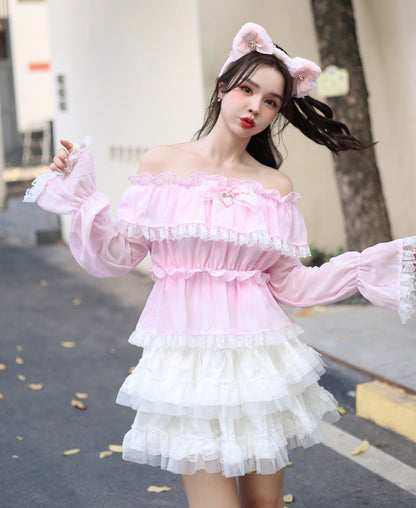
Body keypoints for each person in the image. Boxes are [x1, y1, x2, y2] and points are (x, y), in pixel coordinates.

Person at [24, 22, 415, 508]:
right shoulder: (161, 164)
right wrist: (82, 198)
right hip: (187, 365)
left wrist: (372, 267)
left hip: (257, 361)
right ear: (223, 87)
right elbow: (120, 253)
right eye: (247, 90)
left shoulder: (274, 187)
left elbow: (291, 284)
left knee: (264, 505)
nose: (255, 107)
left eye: (270, 101)